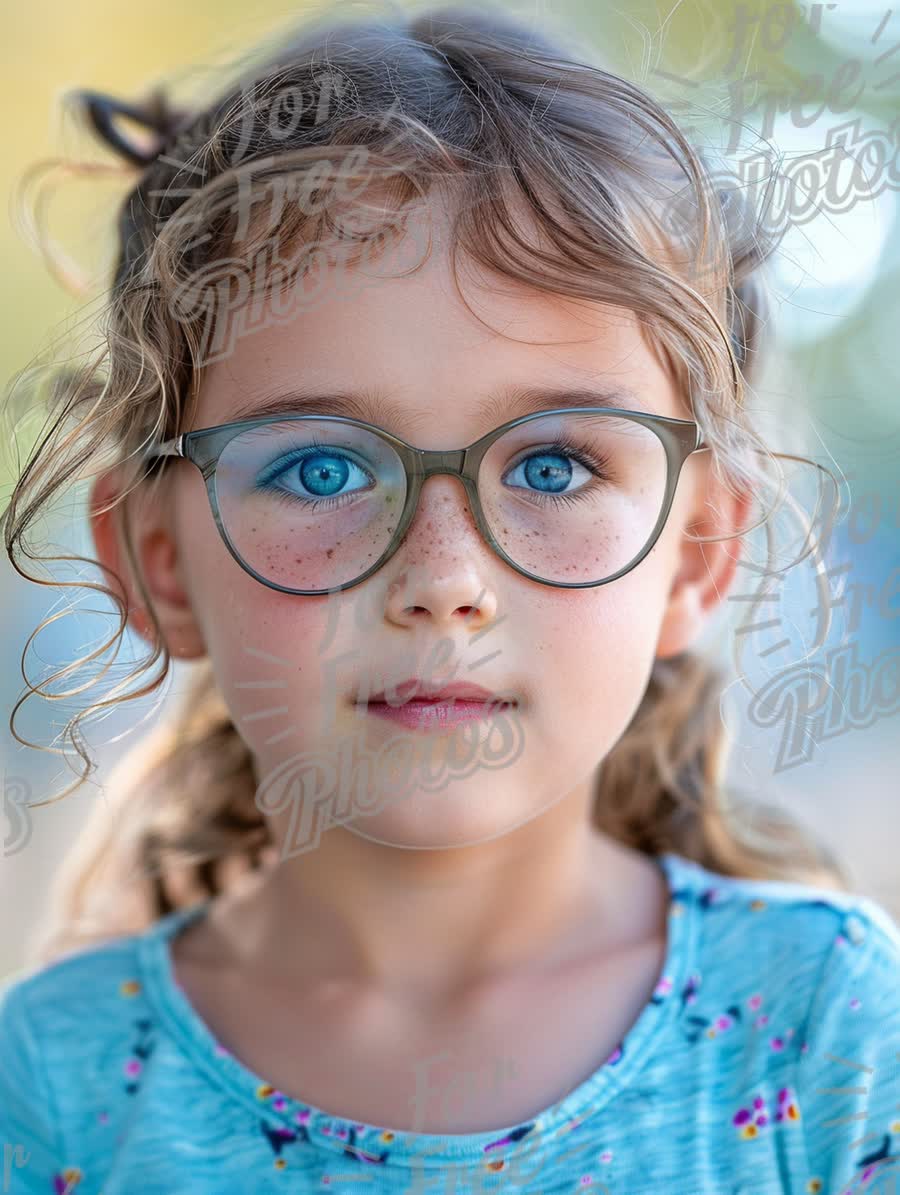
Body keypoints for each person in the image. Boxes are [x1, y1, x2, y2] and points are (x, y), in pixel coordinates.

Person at [1, 5, 898, 1193]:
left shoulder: (834, 1032)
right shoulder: (51, 1086)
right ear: (156, 558)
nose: (443, 582)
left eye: (553, 466)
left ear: (694, 552)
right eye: (321, 468)